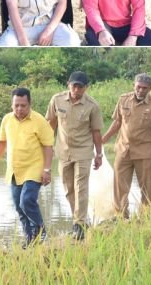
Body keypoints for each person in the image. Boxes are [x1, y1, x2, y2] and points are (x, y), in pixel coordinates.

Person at [46, 71, 104, 241]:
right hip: (63, 151)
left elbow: (96, 132)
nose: (76, 90)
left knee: (81, 187)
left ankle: (78, 224)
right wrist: (46, 147)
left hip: (84, 151)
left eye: (80, 87)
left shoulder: (92, 105)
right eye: (74, 86)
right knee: (68, 188)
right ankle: (79, 220)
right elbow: (50, 124)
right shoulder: (57, 100)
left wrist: (99, 154)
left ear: (86, 88)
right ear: (68, 84)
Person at [0, 88, 54, 246]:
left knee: (26, 201)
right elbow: (1, 142)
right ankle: (30, 239)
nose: (19, 109)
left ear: (29, 104)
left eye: (23, 105)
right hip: (15, 169)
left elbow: (48, 146)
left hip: (34, 168)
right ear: (12, 104)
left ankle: (40, 230)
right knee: (19, 208)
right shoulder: (7, 120)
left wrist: (47, 170)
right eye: (16, 105)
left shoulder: (39, 120)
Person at [102, 73, 151, 218]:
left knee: (146, 186)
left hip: (145, 151)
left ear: (150, 88)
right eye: (138, 87)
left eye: (144, 88)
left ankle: (147, 216)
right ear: (134, 86)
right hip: (123, 149)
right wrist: (104, 138)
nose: (141, 90)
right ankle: (121, 216)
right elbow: (117, 122)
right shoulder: (123, 100)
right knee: (119, 184)